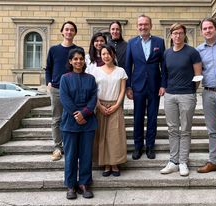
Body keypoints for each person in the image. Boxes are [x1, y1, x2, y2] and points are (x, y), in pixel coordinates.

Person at [160, 23, 202, 176]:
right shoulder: (167, 53)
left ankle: (183, 161)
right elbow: (164, 73)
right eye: (174, 33)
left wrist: (191, 92)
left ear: (184, 35)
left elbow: (198, 76)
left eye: (180, 33)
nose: (177, 36)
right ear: (171, 35)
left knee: (185, 130)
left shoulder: (192, 52)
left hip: (187, 95)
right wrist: (164, 87)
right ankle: (173, 161)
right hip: (170, 95)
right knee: (172, 129)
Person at [125, 14, 166, 160]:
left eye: (145, 24)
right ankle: (138, 146)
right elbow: (128, 66)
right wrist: (128, 87)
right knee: (138, 117)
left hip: (155, 86)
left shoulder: (159, 42)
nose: (143, 27)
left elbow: (164, 65)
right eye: (140, 25)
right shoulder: (131, 43)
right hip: (138, 86)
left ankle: (150, 146)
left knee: (153, 117)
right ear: (137, 26)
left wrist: (163, 84)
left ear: (150, 26)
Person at [59, 48, 97, 200]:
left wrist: (85, 113)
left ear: (84, 61)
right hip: (70, 122)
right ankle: (70, 185)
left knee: (86, 155)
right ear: (70, 61)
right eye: (75, 59)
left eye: (81, 59)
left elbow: (94, 98)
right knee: (70, 156)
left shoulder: (90, 79)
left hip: (88, 122)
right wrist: (77, 113)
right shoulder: (65, 78)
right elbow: (64, 98)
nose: (78, 61)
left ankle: (84, 184)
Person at [45, 21, 83, 161]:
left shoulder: (78, 49)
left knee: (72, 116)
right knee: (57, 118)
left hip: (73, 89)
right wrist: (48, 82)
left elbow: (81, 67)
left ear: (75, 33)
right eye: (66, 29)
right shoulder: (54, 50)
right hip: (56, 88)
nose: (69, 32)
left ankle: (70, 146)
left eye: (71, 30)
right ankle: (57, 147)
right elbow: (48, 68)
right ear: (62, 32)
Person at [89, 44, 127, 177]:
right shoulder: (95, 71)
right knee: (102, 135)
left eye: (108, 53)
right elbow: (93, 91)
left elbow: (122, 90)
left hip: (115, 105)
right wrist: (99, 106)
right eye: (103, 53)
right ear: (101, 55)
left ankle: (115, 163)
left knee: (115, 136)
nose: (106, 56)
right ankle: (105, 164)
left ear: (113, 55)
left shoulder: (120, 71)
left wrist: (117, 105)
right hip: (100, 105)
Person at [195, 18, 216, 173]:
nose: (208, 31)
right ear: (201, 32)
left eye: (210, 28)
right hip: (208, 92)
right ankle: (214, 161)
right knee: (213, 129)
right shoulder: (198, 50)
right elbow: (196, 73)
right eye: (205, 28)